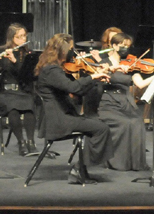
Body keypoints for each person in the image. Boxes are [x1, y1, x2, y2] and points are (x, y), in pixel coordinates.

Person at [34, 33, 114, 184]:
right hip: (60, 120)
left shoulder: (52, 68)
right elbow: (73, 87)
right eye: (71, 48)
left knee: (95, 126)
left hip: (62, 116)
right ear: (63, 50)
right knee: (101, 128)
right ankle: (79, 168)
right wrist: (92, 77)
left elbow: (77, 91)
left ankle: (81, 168)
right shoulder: (51, 70)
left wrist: (94, 79)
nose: (73, 51)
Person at [94, 33, 153, 171]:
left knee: (137, 123)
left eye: (127, 46)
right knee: (125, 124)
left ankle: (135, 163)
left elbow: (140, 84)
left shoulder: (130, 64)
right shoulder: (104, 63)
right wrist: (114, 69)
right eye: (123, 46)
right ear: (114, 46)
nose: (126, 49)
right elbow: (101, 79)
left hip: (126, 102)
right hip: (109, 103)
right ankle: (118, 162)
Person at [0, 23, 37, 156]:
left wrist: (15, 62)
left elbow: (27, 76)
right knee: (13, 109)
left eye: (24, 36)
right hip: (4, 92)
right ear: (11, 38)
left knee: (29, 109)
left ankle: (31, 142)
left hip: (22, 90)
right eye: (19, 37)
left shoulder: (27, 54)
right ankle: (21, 143)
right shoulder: (0, 51)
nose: (23, 39)